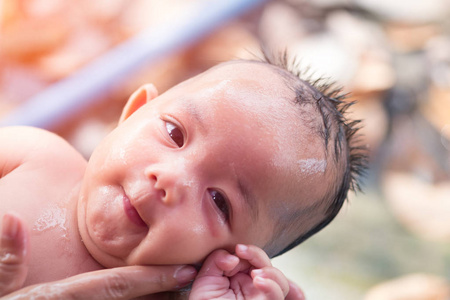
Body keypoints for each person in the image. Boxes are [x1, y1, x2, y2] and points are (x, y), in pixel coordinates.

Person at [0, 51, 366, 299]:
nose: (172, 179)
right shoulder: (33, 154)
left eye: (219, 201)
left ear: (234, 260)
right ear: (132, 113)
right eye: (175, 134)